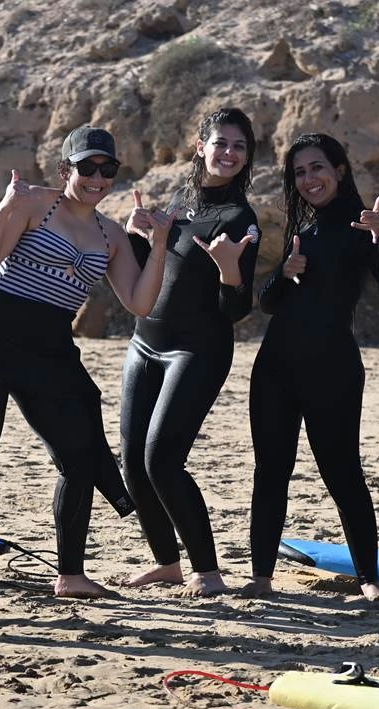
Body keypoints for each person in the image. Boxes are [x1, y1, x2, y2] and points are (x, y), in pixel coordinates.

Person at [0, 126, 172, 602]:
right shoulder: (33, 203)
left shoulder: (111, 234)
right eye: (86, 167)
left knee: (79, 454)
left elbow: (140, 303)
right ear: (66, 170)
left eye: (108, 169)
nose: (97, 178)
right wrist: (7, 204)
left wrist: (160, 244)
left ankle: (71, 574)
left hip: (48, 344)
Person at [241, 133, 379, 600]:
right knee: (270, 471)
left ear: (339, 169)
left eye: (317, 168)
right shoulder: (304, 230)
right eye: (299, 172)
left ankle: (370, 581)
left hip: (332, 369)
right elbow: (268, 302)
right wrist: (284, 272)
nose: (309, 179)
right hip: (275, 368)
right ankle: (261, 576)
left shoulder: (360, 226)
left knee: (342, 473)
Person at [120, 107, 261, 597]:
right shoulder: (179, 202)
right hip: (144, 343)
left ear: (247, 158)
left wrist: (230, 270)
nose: (229, 153)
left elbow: (238, 308)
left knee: (162, 461)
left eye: (239, 146)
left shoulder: (241, 217)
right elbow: (154, 274)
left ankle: (207, 570)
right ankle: (166, 563)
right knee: (133, 464)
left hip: (196, 350)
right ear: (200, 146)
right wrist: (142, 239)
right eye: (220, 142)